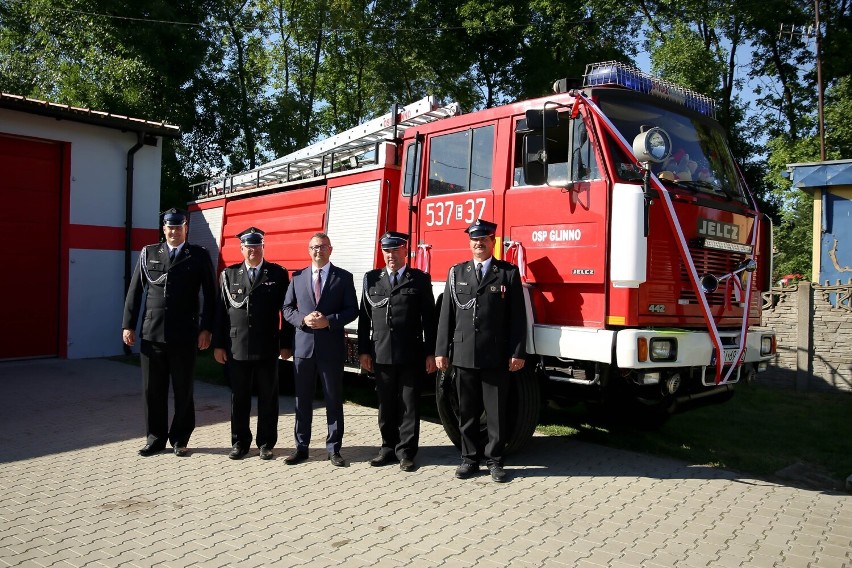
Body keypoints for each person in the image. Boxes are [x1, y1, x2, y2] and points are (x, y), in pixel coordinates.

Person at [435, 219, 526, 482]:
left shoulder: (507, 273)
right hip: (463, 355)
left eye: (484, 239)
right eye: (474, 240)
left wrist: (517, 352)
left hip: (495, 355)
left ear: (493, 242)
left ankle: (495, 461)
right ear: (470, 243)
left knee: (496, 413)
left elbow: (517, 317)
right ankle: (469, 459)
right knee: (468, 412)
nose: (479, 243)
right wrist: (442, 351)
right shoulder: (457, 273)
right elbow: (446, 316)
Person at [122, 208, 216, 457]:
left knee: (183, 389)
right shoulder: (149, 253)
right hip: (152, 334)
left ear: (186, 228)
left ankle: (180, 438)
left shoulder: (197, 255)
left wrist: (206, 328)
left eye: (178, 226)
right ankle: (155, 439)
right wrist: (128, 325)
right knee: (152, 390)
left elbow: (210, 294)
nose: (173, 231)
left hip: (185, 335)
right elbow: (135, 291)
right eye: (169, 227)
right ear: (163, 228)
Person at [358, 231, 437, 472]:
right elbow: (364, 319)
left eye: (395, 250)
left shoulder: (419, 280)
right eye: (386, 251)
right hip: (380, 353)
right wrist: (364, 351)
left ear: (405, 251)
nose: (391, 255)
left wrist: (431, 353)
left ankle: (406, 452)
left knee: (408, 405)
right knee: (386, 404)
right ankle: (387, 447)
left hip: (410, 354)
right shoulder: (372, 278)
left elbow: (430, 321)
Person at [213, 227, 294, 460]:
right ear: (242, 249)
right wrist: (218, 345)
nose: (253, 250)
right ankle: (240, 443)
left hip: (267, 346)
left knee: (268, 397)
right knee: (239, 398)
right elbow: (221, 312)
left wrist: (286, 343)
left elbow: (286, 312)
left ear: (262, 247)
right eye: (249, 246)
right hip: (236, 347)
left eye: (257, 246)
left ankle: (266, 443)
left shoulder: (277, 274)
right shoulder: (229, 275)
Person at [282, 232, 358, 467]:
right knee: (302, 400)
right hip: (304, 349)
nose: (318, 250)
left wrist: (330, 321)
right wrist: (303, 320)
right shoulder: (297, 277)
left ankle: (334, 449)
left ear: (330, 249)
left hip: (330, 348)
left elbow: (352, 310)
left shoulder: (343, 277)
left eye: (323, 246)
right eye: (314, 247)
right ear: (309, 250)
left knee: (333, 400)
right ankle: (301, 447)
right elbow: (286, 308)